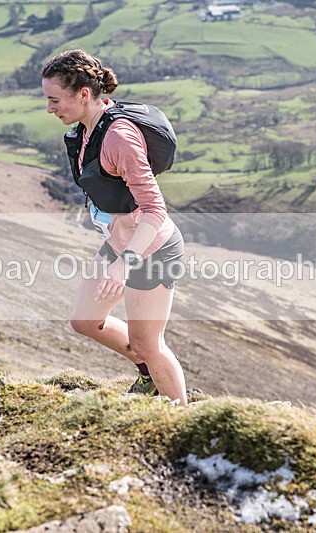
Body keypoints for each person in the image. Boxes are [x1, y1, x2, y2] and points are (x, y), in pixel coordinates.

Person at [41, 50, 188, 406]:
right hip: (118, 245)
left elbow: (154, 210)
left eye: (54, 100)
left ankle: (182, 417)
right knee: (85, 320)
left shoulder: (119, 137)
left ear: (84, 95)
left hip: (151, 251)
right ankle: (147, 373)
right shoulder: (86, 130)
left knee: (150, 344)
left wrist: (125, 264)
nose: (50, 108)